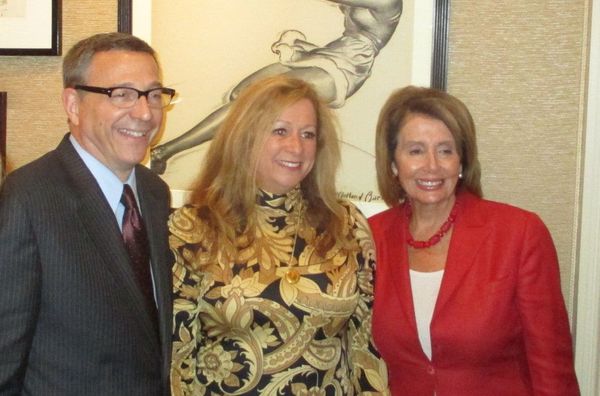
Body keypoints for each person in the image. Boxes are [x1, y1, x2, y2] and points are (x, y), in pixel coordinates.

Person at [169, 75, 389, 395]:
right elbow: (178, 358)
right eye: (280, 131)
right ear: (245, 137)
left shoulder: (347, 226)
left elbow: (364, 348)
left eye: (308, 134)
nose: (296, 147)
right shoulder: (192, 229)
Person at [368, 86, 580, 395]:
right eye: (415, 151)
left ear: (462, 162)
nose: (432, 165)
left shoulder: (519, 234)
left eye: (445, 150)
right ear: (393, 163)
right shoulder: (368, 238)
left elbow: (552, 369)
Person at [0, 32, 176, 395]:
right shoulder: (29, 197)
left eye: (154, 95)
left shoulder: (155, 194)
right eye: (122, 94)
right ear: (73, 104)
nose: (144, 113)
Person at [150, 0, 403, 174]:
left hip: (348, 69)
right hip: (330, 53)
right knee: (240, 93)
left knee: (252, 102)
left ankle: (165, 151)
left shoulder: (389, 2)